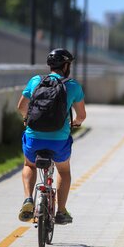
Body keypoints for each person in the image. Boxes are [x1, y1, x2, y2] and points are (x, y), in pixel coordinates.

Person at [17, 48, 86, 225]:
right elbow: (81, 115)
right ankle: (61, 211)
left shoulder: (36, 81)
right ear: (66, 65)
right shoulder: (73, 86)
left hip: (34, 138)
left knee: (29, 165)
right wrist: (75, 123)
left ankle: (28, 200)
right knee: (63, 170)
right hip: (59, 141)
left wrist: (27, 120)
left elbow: (21, 107)